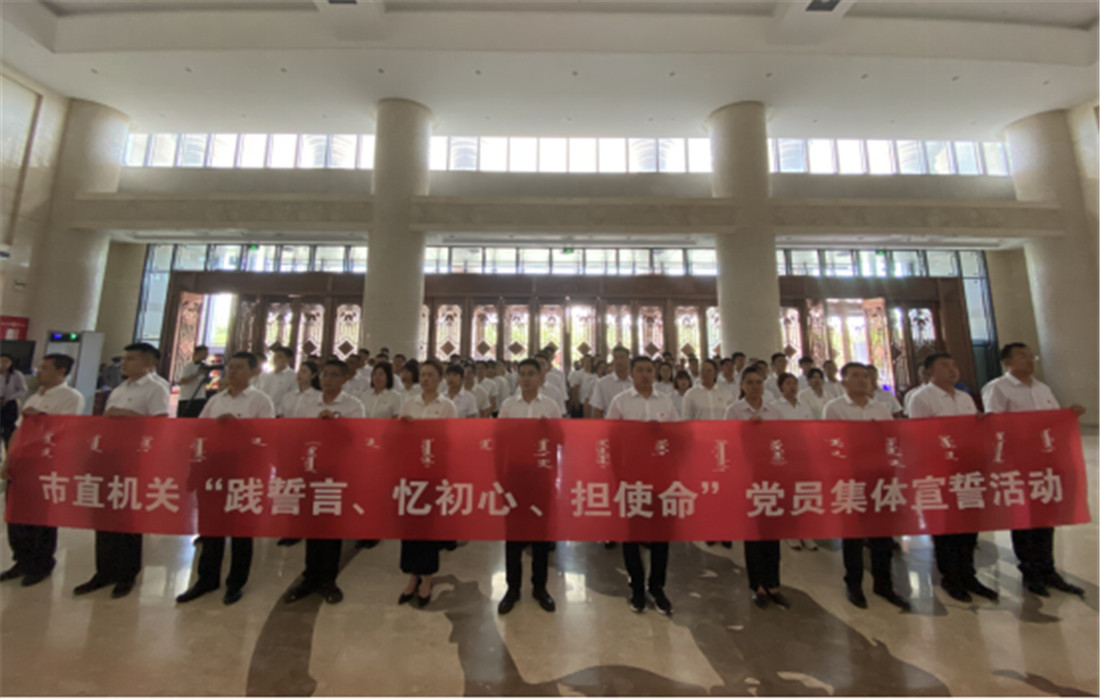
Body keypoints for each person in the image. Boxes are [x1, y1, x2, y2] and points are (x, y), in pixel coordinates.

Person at [981, 342, 1087, 598]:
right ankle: (1030, 571)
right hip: (1018, 461)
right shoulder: (998, 388)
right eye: (1022, 356)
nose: (1029, 360)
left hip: (1046, 459)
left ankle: (1047, 568)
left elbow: (1054, 421)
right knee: (1024, 516)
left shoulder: (1042, 388)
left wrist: (1069, 415)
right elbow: (995, 424)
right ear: (1007, 362)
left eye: (1031, 356)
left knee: (1046, 514)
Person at [176, 352, 275, 606]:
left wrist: (238, 426)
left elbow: (267, 436)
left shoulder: (260, 401)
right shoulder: (216, 400)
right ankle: (207, 579)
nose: (232, 371)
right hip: (214, 467)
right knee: (211, 526)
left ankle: (236, 582)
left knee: (241, 528)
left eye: (239, 367)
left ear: (253, 371)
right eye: (230, 367)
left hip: (244, 468)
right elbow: (200, 430)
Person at [74, 342, 170, 599]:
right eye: (125, 359)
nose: (124, 363)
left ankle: (127, 574)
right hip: (109, 457)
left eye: (131, 359)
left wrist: (128, 415)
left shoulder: (156, 388)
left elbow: (161, 425)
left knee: (128, 518)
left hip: (134, 460)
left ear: (149, 363)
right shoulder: (119, 388)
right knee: (104, 516)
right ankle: (104, 571)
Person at [908, 352, 999, 603]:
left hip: (968, 470)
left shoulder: (964, 397)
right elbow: (919, 436)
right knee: (946, 527)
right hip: (940, 471)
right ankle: (951, 578)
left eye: (954, 364)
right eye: (944, 365)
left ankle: (969, 575)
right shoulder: (921, 398)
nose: (952, 369)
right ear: (930, 371)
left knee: (969, 525)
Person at [823, 363, 910, 611]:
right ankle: (854, 583)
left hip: (878, 477)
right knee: (853, 534)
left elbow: (890, 440)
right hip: (850, 477)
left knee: (882, 533)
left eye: (865, 376)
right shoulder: (835, 408)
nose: (862, 380)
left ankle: (884, 584)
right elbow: (832, 442)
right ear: (843, 382)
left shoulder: (880, 408)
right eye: (856, 376)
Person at [285, 359, 365, 605]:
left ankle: (328, 580)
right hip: (312, 470)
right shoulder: (307, 403)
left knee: (331, 527)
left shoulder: (353, 406)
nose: (327, 379)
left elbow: (358, 439)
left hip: (337, 473)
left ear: (344, 379)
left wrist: (336, 425)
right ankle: (310, 577)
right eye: (324, 374)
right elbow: (296, 435)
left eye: (333, 375)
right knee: (312, 525)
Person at [0, 354, 84, 587]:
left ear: (61, 371)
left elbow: (66, 429)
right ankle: (22, 560)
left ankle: (41, 564)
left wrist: (42, 419)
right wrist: (9, 459)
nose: (39, 372)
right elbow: (18, 431)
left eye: (45, 368)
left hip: (47, 464)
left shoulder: (71, 397)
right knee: (17, 515)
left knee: (41, 517)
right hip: (23, 463)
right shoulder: (35, 396)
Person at [606, 356, 679, 614]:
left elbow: (677, 437)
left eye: (649, 370)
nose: (645, 374)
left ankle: (657, 587)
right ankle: (637, 587)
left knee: (661, 535)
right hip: (632, 477)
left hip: (660, 477)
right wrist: (617, 475)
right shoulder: (620, 402)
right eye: (640, 370)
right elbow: (611, 439)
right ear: (632, 373)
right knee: (632, 535)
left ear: (655, 373)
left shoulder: (665, 402)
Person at [496, 358, 560, 615]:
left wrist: (548, 430)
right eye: (522, 374)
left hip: (541, 475)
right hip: (516, 474)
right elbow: (499, 440)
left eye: (531, 374)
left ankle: (540, 587)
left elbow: (562, 440)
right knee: (513, 535)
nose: (526, 378)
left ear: (541, 377)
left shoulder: (551, 406)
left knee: (540, 534)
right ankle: (512, 588)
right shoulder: (508, 406)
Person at [727, 366, 790, 607]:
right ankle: (757, 586)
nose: (755, 387)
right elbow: (728, 443)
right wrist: (747, 430)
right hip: (747, 477)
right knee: (753, 533)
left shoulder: (774, 412)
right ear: (742, 386)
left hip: (770, 476)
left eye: (759, 382)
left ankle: (773, 584)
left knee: (772, 531)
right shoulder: (734, 411)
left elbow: (782, 441)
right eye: (750, 382)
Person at [397, 360, 456, 607]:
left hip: (434, 472)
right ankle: (412, 576)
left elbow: (452, 439)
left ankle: (427, 578)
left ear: (440, 379)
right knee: (410, 525)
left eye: (431, 375)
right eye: (423, 375)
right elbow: (398, 437)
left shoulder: (447, 406)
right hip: (411, 471)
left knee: (429, 527)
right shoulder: (409, 403)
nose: (426, 379)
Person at [770, 371, 819, 552]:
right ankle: (789, 532)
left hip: (803, 455)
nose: (792, 387)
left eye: (795, 383)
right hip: (784, 456)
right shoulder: (774, 407)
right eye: (788, 383)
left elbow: (812, 429)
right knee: (787, 493)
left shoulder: (804, 406)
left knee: (803, 492)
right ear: (781, 387)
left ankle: (806, 533)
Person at [588, 346, 634, 419]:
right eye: (616, 358)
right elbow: (598, 410)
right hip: (610, 422)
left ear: (628, 360)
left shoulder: (635, 382)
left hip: (632, 422)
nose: (619, 361)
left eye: (622, 357)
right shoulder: (602, 383)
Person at [254, 346, 297, 411]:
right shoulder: (264, 375)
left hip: (279, 413)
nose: (275, 359)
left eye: (279, 356)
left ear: (289, 359)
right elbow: (257, 392)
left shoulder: (293, 377)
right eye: (274, 356)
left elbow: (293, 397)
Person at [0, 353, 28, 448]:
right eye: (1, 361)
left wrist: (10, 397)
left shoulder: (16, 375)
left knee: (9, 431)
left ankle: (9, 451)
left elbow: (23, 390)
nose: (3, 363)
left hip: (9, 403)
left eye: (6, 361)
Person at [177, 345, 212, 418]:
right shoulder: (188, 366)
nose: (206, 355)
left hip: (200, 397)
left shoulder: (204, 366)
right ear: (197, 353)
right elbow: (182, 381)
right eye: (204, 352)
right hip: (187, 397)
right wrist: (197, 374)